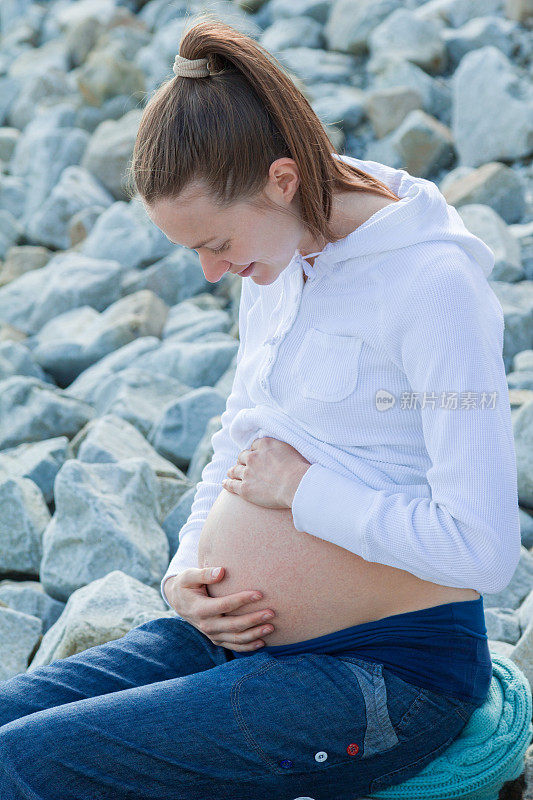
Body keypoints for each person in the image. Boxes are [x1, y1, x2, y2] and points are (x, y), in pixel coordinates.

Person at [0, 14, 521, 800]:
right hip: (235, 642)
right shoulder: (278, 253)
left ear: (282, 179)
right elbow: (240, 436)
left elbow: (482, 549)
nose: (213, 273)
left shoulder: (431, 287)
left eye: (214, 243)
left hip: (387, 676)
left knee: (24, 769)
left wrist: (304, 494)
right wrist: (185, 576)